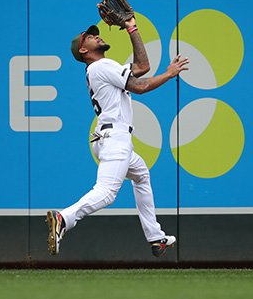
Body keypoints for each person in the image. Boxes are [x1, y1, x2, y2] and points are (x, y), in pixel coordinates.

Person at [47, 14, 189, 257]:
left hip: (109, 137)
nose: (96, 35)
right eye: (90, 37)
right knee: (107, 192)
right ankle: (64, 218)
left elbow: (142, 67)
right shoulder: (102, 66)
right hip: (115, 139)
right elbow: (141, 84)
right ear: (83, 49)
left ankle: (155, 237)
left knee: (141, 175)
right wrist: (169, 73)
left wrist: (132, 29)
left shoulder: (101, 68)